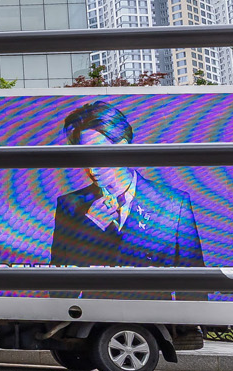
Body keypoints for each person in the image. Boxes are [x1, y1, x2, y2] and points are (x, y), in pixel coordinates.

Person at [47, 101, 204, 295]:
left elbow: (194, 284)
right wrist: (89, 228)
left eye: (97, 153)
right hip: (94, 316)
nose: (91, 167)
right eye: (82, 155)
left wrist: (187, 324)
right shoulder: (70, 205)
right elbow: (59, 289)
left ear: (122, 148)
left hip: (152, 317)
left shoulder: (173, 203)